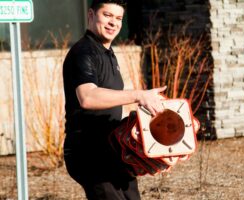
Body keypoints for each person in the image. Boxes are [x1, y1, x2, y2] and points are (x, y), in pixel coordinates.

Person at [62, 0, 166, 199]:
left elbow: (110, 102)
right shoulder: (83, 52)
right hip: (87, 152)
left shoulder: (108, 53)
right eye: (107, 15)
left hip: (112, 147)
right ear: (91, 15)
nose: (113, 23)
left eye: (118, 18)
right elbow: (87, 97)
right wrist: (138, 95)